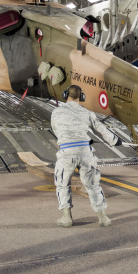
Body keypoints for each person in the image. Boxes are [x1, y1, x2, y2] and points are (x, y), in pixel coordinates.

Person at [51, 84, 122, 227]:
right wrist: (115, 141)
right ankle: (102, 217)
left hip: (66, 153)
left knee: (62, 184)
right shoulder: (87, 113)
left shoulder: (57, 112)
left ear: (66, 95)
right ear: (81, 97)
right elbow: (100, 129)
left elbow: (56, 130)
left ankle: (67, 217)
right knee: (93, 185)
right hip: (85, 153)